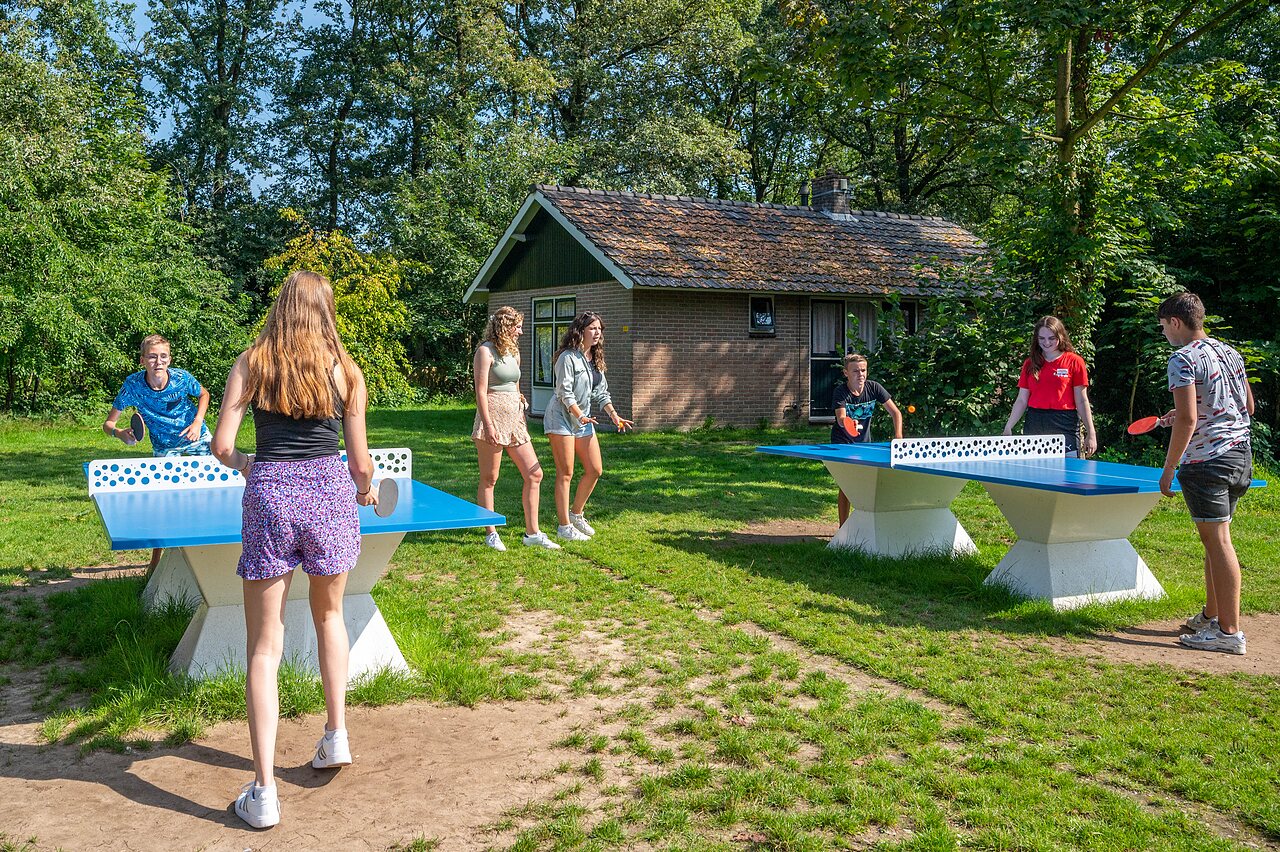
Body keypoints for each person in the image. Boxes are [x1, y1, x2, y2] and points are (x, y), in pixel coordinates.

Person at [211, 270, 376, 828]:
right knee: (330, 616)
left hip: (271, 495)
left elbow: (222, 446)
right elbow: (359, 463)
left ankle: (263, 793)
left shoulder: (252, 363)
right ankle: (337, 735)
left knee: (264, 645)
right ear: (327, 313)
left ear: (281, 308)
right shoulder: (346, 372)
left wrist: (248, 464)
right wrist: (364, 486)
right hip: (330, 493)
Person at [1156, 292, 1254, 655]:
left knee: (1219, 542)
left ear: (1176, 322)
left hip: (1206, 463)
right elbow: (1247, 405)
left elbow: (1188, 418)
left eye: (1163, 325)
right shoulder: (1230, 352)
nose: (1164, 332)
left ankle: (1229, 632)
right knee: (1215, 540)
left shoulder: (1181, 359)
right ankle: (1212, 617)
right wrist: (1185, 414)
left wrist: (1169, 468)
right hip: (1240, 455)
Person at [102, 334, 213, 570]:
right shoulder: (132, 386)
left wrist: (197, 421)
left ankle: (209, 547)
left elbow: (204, 394)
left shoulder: (182, 379)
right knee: (164, 500)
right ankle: (156, 559)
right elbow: (108, 424)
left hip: (197, 437)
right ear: (143, 360)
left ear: (169, 359)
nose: (158, 361)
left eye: (163, 356)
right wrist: (120, 433)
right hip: (164, 446)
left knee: (213, 489)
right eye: (152, 357)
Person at [472, 307, 559, 551]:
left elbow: (515, 384)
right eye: (517, 326)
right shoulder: (484, 351)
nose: (521, 331)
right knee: (490, 478)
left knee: (535, 474)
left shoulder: (513, 352)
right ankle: (491, 532)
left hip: (515, 419)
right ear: (504, 327)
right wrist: (488, 425)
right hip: (492, 418)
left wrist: (521, 399)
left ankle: (532, 533)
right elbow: (480, 391)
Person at [543, 311, 633, 542]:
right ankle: (563, 527)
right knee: (566, 473)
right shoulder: (567, 357)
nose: (597, 333)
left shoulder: (595, 359)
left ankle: (576, 514)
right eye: (593, 328)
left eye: (600, 329)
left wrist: (614, 415)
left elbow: (601, 392)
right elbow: (564, 391)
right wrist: (579, 415)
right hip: (561, 418)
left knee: (595, 469)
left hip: (584, 420)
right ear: (580, 330)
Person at [1002, 316, 1098, 457]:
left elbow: (1082, 400)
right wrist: (1008, 426)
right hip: (1035, 421)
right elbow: (1022, 400)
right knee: (1035, 472)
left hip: (1065, 422)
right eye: (1042, 338)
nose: (1046, 343)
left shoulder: (1074, 362)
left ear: (1061, 336)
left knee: (1069, 474)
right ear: (1036, 339)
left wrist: (1091, 433)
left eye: (1051, 338)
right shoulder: (1030, 364)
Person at [831, 352, 903, 526]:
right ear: (846, 373)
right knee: (846, 486)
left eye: (863, 370)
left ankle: (867, 522)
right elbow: (841, 418)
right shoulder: (841, 392)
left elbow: (896, 412)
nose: (860, 374)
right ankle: (843, 526)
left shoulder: (874, 388)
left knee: (867, 485)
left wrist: (898, 436)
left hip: (865, 444)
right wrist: (848, 421)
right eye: (855, 371)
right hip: (843, 444)